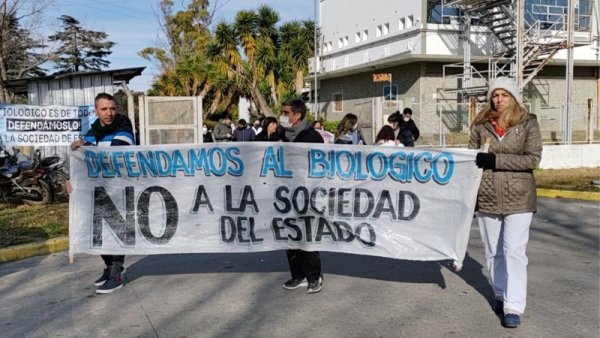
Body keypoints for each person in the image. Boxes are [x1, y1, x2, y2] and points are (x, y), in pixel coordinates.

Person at [468, 77, 542, 329]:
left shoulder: (527, 122)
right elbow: (471, 158)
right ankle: (499, 293)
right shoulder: (480, 124)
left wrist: (495, 161)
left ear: (514, 97)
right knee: (493, 251)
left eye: (504, 95)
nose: (498, 100)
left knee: (514, 251)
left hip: (519, 197)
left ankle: (513, 306)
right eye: (495, 95)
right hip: (487, 196)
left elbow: (532, 159)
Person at [70, 92, 135, 294]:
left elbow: (116, 152)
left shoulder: (124, 125)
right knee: (98, 231)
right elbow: (84, 159)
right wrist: (71, 175)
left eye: (113, 108)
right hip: (98, 189)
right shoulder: (92, 131)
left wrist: (87, 147)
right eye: (104, 109)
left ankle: (117, 273)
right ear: (96, 111)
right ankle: (108, 268)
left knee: (116, 230)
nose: (109, 113)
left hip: (119, 188)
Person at [280, 99, 324, 293]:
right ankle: (297, 275)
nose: (283, 116)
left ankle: (314, 276)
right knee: (289, 235)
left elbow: (321, 165)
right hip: (284, 193)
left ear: (297, 115)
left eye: (286, 113)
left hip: (306, 193)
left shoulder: (312, 137)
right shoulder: (280, 135)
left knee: (307, 234)